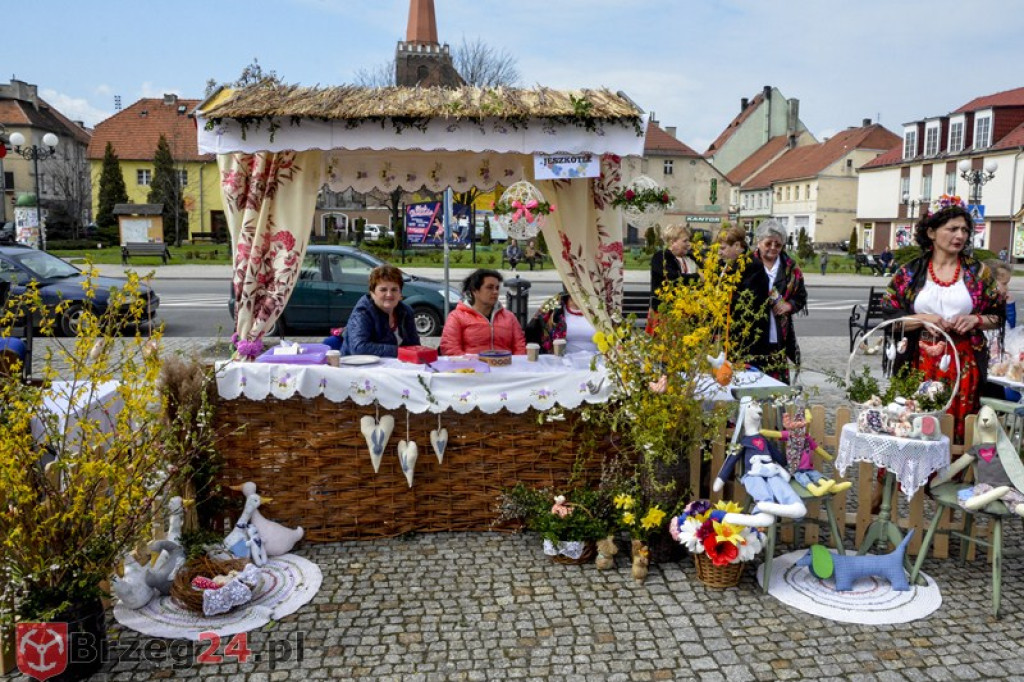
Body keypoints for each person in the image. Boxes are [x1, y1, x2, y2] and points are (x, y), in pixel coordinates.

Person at [882, 197, 1004, 443]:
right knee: (914, 423)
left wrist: (975, 320)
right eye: (952, 229)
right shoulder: (909, 272)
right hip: (918, 361)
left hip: (963, 362)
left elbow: (997, 316)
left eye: (965, 230)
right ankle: (914, 479)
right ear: (931, 232)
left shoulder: (978, 272)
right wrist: (922, 319)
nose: (960, 235)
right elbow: (889, 318)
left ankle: (952, 478)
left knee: (955, 425)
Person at [735, 219, 807, 384]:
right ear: (759, 242)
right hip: (751, 333)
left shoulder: (791, 268)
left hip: (778, 333)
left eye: (778, 244)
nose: (773, 248)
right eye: (769, 243)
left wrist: (789, 305)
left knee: (776, 385)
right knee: (750, 381)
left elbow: (801, 296)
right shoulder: (745, 265)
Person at [322, 265, 420, 357]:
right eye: (383, 290)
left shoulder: (406, 312)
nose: (389, 294)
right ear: (372, 293)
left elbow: (415, 346)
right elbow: (359, 348)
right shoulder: (363, 312)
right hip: (357, 368)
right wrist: (400, 351)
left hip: (394, 367)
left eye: (394, 290)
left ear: (400, 293)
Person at [440, 269, 527, 356]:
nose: (495, 292)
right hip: (471, 367)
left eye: (497, 288)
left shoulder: (509, 317)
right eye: (490, 287)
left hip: (505, 366)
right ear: (474, 291)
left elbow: (520, 347)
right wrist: (473, 365)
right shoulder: (457, 317)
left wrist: (515, 365)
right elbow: (450, 349)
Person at [647, 223, 699, 332]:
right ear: (672, 242)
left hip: (688, 312)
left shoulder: (690, 258)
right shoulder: (660, 257)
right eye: (685, 241)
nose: (688, 244)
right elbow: (672, 277)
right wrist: (698, 277)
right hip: (665, 312)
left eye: (688, 241)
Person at [525, 290, 598, 355]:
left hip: (598, 362)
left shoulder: (600, 305)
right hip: (560, 362)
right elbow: (533, 328)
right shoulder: (554, 303)